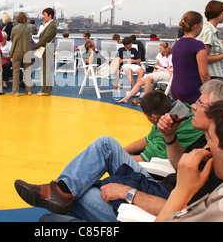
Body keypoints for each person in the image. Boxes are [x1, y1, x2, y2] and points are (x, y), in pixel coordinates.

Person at [14, 89, 205, 222]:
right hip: (162, 186)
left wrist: (128, 193)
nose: (193, 106)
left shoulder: (213, 165)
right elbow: (155, 147)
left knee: (78, 191)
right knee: (105, 144)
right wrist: (118, 152)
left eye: (201, 103)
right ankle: (62, 190)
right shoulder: (200, 135)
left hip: (157, 202)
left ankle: (63, 194)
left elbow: (181, 210)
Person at [171, 11, 210, 104]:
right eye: (201, 25)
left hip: (175, 89)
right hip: (191, 91)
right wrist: (211, 91)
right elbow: (204, 74)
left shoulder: (177, 44)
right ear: (196, 26)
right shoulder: (198, 45)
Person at [197, 0, 223, 80]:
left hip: (215, 75)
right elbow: (203, 58)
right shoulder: (209, 31)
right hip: (213, 76)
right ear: (217, 13)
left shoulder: (210, 30)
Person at [110, 37, 145, 101]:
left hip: (133, 65)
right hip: (125, 66)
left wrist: (133, 60)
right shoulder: (121, 50)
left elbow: (139, 60)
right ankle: (134, 89)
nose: (130, 45)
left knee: (142, 71)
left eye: (131, 43)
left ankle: (137, 86)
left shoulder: (134, 50)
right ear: (125, 45)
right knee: (128, 70)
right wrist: (125, 60)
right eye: (129, 44)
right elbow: (117, 60)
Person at [33, 8, 57, 96]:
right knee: (45, 69)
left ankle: (46, 90)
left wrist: (34, 46)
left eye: (45, 15)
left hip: (47, 49)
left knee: (45, 70)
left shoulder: (52, 26)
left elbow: (45, 39)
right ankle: (46, 88)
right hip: (45, 49)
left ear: (50, 15)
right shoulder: (48, 25)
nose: (43, 17)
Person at [9, 12, 33, 96]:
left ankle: (15, 91)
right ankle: (29, 90)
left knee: (16, 71)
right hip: (27, 51)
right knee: (27, 71)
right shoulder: (28, 29)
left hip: (17, 51)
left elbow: (12, 40)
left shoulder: (14, 29)